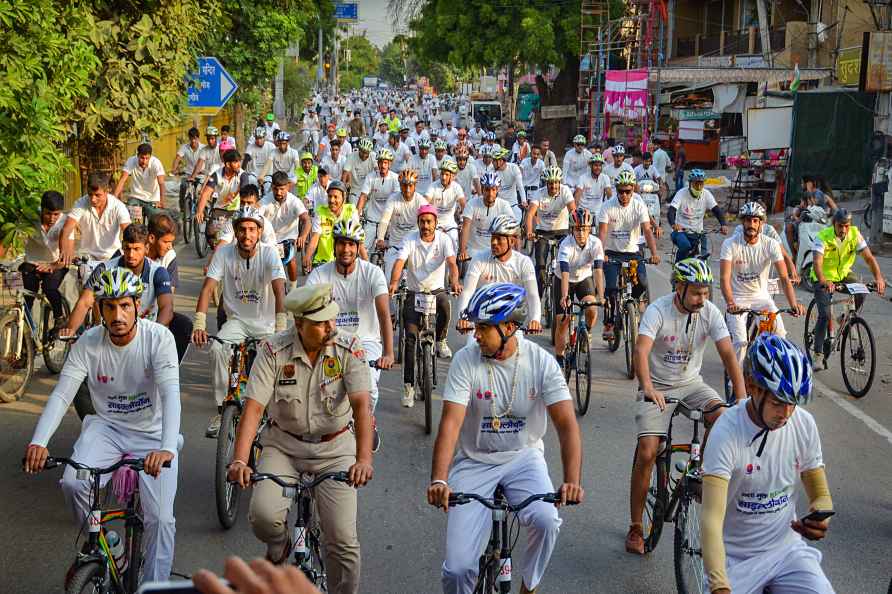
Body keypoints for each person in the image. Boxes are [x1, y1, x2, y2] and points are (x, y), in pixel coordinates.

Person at [24, 268, 181, 583]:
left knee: (161, 520)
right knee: (72, 483)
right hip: (106, 429)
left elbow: (171, 395)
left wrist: (165, 448)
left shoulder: (159, 338)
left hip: (152, 434)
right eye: (109, 306)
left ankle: (155, 586)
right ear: (99, 309)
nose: (118, 315)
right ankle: (111, 545)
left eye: (124, 305)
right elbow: (61, 394)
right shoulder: (88, 342)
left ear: (138, 305)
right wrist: (38, 442)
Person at [427, 282, 584, 594]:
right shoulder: (465, 360)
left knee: (546, 520)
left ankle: (530, 585)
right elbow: (450, 424)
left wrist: (571, 480)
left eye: (484, 328)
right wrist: (439, 480)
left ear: (510, 328)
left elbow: (566, 425)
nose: (476, 335)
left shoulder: (540, 362)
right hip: (474, 461)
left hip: (523, 458)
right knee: (457, 570)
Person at [225, 283, 372, 594]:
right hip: (284, 446)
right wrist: (239, 460)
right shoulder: (272, 351)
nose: (330, 326)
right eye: (320, 323)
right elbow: (253, 410)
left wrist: (363, 460)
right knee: (263, 516)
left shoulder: (349, 348)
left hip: (335, 449)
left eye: (331, 319)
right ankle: (280, 546)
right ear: (299, 324)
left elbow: (361, 407)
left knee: (343, 543)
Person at [626, 258, 746, 554]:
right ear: (678, 287)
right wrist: (648, 387)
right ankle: (636, 526)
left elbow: (729, 355)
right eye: (695, 292)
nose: (701, 299)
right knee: (647, 451)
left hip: (692, 384)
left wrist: (742, 398)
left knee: (721, 416)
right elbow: (641, 350)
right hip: (657, 385)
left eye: (705, 293)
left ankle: (702, 474)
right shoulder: (658, 311)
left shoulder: (710, 313)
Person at [701, 334, 834, 594]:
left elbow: (820, 492)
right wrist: (719, 584)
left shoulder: (803, 424)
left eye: (792, 403)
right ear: (752, 386)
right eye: (777, 402)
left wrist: (820, 517)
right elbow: (711, 521)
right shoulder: (726, 432)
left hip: (786, 551)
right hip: (735, 560)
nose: (786, 414)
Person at [191, 206, 287, 437]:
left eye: (252, 229)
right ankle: (223, 408)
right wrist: (199, 324)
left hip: (266, 323)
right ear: (235, 231)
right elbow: (207, 289)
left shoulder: (269, 253)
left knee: (278, 365)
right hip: (238, 322)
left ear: (259, 232)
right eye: (242, 229)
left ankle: (278, 413)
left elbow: (279, 290)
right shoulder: (224, 254)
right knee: (217, 350)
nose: (247, 234)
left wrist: (280, 327)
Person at [307, 220, 394, 450]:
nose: (346, 249)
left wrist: (388, 353)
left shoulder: (373, 273)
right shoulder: (319, 274)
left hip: (366, 341)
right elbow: (308, 311)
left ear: (358, 248)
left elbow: (384, 313)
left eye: (351, 244)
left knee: (370, 389)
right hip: (332, 340)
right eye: (342, 244)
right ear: (334, 246)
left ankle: (367, 420)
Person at [389, 205, 462, 404]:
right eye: (422, 222)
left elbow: (452, 264)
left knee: (446, 306)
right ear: (418, 223)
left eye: (429, 222)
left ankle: (441, 339)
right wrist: (394, 283)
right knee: (411, 338)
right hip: (414, 292)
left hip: (436, 291)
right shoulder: (409, 240)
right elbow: (399, 263)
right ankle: (408, 387)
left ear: (436, 223)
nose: (426, 226)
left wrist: (454, 281)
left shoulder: (444, 240)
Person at [720, 202, 804, 364]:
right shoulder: (730, 244)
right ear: (742, 222)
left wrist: (794, 304)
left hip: (762, 298)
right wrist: (730, 302)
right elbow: (724, 278)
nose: (751, 224)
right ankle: (735, 385)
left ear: (761, 223)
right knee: (740, 342)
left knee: (779, 336)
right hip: (737, 299)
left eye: (755, 221)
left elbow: (785, 278)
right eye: (748, 220)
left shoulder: (770, 244)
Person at [61, 224, 174, 342]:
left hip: (145, 337)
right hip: (110, 335)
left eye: (136, 249)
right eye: (127, 248)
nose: (131, 254)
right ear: (122, 246)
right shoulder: (104, 268)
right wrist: (71, 329)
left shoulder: (158, 272)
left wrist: (156, 333)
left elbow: (166, 307)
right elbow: (85, 302)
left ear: (146, 248)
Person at [811, 208, 886, 369]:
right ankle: (817, 355)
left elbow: (869, 258)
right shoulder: (823, 237)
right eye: (840, 226)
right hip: (823, 277)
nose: (843, 230)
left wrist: (878, 278)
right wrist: (824, 281)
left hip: (844, 274)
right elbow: (817, 263)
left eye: (846, 226)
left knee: (861, 290)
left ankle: (844, 317)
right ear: (834, 224)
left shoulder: (854, 234)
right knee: (824, 315)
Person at [597, 170, 659, 341]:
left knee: (642, 283)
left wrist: (654, 253)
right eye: (621, 191)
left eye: (628, 191)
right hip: (611, 253)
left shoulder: (639, 205)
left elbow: (647, 230)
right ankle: (608, 324)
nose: (624, 195)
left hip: (633, 253)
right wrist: (601, 254)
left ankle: (635, 303)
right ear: (616, 190)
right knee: (610, 289)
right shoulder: (607, 206)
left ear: (633, 190)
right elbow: (602, 233)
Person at [456, 215, 542, 335]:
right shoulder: (479, 259)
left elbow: (532, 295)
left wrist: (535, 319)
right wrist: (463, 317)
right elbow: (467, 292)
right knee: (469, 352)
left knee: (518, 352)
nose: (494, 242)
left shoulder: (524, 262)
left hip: (510, 324)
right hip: (483, 323)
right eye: (492, 238)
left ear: (512, 241)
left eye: (499, 238)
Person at [553, 208, 604, 368]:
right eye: (578, 229)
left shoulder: (596, 243)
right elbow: (565, 271)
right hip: (563, 279)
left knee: (592, 308)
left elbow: (597, 270)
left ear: (590, 229)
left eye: (585, 229)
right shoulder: (565, 244)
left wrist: (601, 296)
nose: (581, 233)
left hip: (583, 278)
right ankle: (560, 359)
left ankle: (586, 332)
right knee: (563, 321)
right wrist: (565, 296)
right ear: (572, 229)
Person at [59, 172, 132, 265]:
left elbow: (128, 232)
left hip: (113, 258)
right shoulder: (80, 203)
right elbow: (67, 228)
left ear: (107, 191)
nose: (93, 199)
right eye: (90, 194)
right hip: (87, 258)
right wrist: (65, 250)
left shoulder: (118, 206)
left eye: (97, 195)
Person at [526, 166, 576, 295]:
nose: (553, 186)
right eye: (550, 183)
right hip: (543, 232)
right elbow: (530, 214)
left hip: (562, 231)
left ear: (560, 182)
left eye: (556, 182)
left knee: (566, 263)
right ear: (546, 183)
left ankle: (567, 293)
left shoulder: (565, 191)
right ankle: (538, 299)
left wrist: (575, 228)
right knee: (540, 266)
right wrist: (529, 232)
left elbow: (573, 211)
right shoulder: (539, 193)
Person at [21, 191, 69, 323]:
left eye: (56, 214)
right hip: (32, 262)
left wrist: (52, 266)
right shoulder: (29, 217)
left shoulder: (65, 222)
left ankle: (59, 318)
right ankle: (26, 334)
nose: (52, 218)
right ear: (41, 209)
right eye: (48, 213)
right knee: (27, 296)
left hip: (56, 263)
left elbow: (66, 255)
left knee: (49, 288)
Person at [377, 169, 430, 280]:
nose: (407, 189)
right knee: (388, 280)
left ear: (415, 186)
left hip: (414, 245)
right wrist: (381, 238)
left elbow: (428, 222)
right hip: (395, 246)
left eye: (410, 186)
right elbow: (385, 220)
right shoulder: (392, 199)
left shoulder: (421, 201)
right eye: (404, 186)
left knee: (421, 282)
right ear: (400, 186)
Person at [259, 171, 312, 282]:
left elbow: (307, 220)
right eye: (275, 189)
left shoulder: (294, 201)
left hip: (288, 238)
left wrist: (302, 236)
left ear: (288, 186)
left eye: (282, 189)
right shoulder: (265, 201)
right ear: (272, 187)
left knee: (290, 260)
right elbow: (255, 216)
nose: (278, 192)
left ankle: (293, 290)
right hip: (269, 238)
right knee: (267, 265)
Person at [668, 168, 728, 263]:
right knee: (685, 246)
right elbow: (671, 211)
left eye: (701, 184)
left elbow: (717, 210)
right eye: (696, 184)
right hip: (680, 231)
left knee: (703, 258)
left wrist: (723, 224)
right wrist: (673, 224)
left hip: (698, 232)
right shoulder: (681, 193)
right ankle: (677, 265)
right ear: (690, 183)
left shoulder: (706, 194)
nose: (699, 187)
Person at [305, 181, 365, 272]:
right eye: (330, 196)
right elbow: (315, 237)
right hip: (323, 262)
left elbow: (358, 241)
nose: (332, 200)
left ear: (343, 198)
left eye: (336, 197)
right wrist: (308, 255)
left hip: (344, 263)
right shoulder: (320, 212)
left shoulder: (351, 211)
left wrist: (367, 264)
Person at [458, 172, 515, 261]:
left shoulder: (504, 205)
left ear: (497, 190)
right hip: (473, 250)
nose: (490, 194)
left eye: (493, 190)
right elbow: (465, 228)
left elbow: (512, 229)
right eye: (487, 190)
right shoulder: (472, 204)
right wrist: (462, 251)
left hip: (495, 250)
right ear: (482, 189)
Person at [356, 148, 400, 253]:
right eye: (380, 162)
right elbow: (363, 196)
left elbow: (397, 199)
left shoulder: (395, 178)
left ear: (389, 164)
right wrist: (356, 214)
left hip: (388, 222)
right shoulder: (370, 177)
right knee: (364, 250)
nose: (383, 165)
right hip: (372, 220)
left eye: (385, 162)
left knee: (390, 252)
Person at [194, 149, 249, 225]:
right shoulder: (216, 175)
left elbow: (245, 194)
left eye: (239, 161)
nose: (239, 165)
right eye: (236, 162)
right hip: (219, 209)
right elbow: (206, 193)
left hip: (236, 211)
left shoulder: (243, 175)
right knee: (210, 233)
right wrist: (199, 211)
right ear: (228, 164)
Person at [425, 157, 467, 250]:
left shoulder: (457, 187)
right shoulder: (433, 186)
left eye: (447, 174)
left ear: (453, 176)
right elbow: (424, 203)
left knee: (454, 246)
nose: (443, 177)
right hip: (434, 222)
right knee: (434, 248)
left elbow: (464, 206)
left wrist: (464, 222)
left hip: (450, 223)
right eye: (442, 174)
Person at [172, 127, 203, 211]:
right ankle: (182, 208)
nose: (193, 141)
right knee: (183, 186)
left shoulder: (203, 148)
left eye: (195, 138)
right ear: (189, 138)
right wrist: (174, 169)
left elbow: (202, 163)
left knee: (202, 192)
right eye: (191, 138)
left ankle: (203, 208)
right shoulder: (184, 147)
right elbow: (177, 158)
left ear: (198, 138)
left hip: (201, 175)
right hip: (188, 174)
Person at [493, 147, 526, 222]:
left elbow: (520, 186)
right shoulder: (492, 172)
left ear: (502, 161)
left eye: (495, 160)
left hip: (513, 205)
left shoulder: (513, 167)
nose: (493, 162)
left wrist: (524, 200)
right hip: (499, 206)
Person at [342, 137, 376, 203]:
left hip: (370, 189)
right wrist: (343, 190)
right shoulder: (351, 156)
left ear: (370, 151)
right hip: (355, 189)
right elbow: (345, 173)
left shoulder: (373, 156)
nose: (364, 155)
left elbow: (377, 170)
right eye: (362, 152)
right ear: (359, 149)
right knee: (354, 210)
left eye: (366, 153)